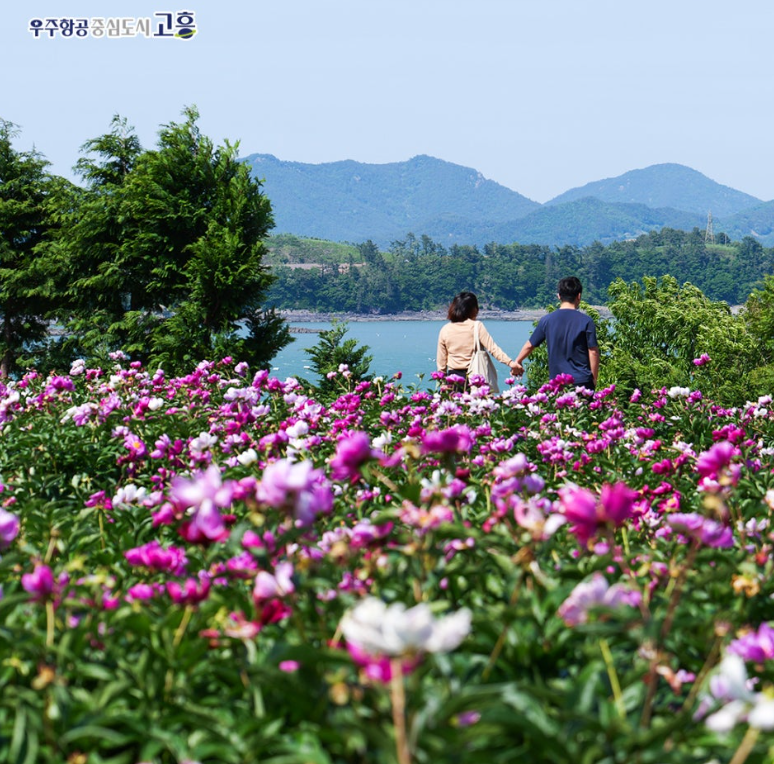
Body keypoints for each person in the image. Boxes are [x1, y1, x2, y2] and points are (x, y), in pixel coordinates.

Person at [512, 276, 599, 388]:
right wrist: (594, 378)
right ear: (579, 296)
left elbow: (530, 345)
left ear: (559, 296)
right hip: (582, 381)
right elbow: (593, 352)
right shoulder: (586, 321)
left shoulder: (547, 320)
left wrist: (518, 361)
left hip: (558, 382)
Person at [436, 291, 519, 380]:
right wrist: (511, 363)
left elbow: (441, 360)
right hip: (474, 376)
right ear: (473, 309)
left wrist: (442, 381)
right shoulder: (476, 326)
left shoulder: (445, 329)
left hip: (453, 378)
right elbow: (493, 349)